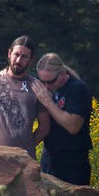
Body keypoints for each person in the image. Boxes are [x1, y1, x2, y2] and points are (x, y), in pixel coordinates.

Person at [0, 35, 50, 159]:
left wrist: (26, 147)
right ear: (9, 53)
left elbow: (44, 127)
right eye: (16, 54)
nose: (19, 60)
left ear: (31, 60)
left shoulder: (37, 88)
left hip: (25, 161)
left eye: (24, 57)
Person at [32, 53, 92, 185]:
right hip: (49, 157)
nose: (46, 86)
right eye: (43, 81)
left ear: (63, 72)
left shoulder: (77, 88)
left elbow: (73, 126)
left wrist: (48, 102)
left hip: (73, 162)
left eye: (51, 81)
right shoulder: (49, 88)